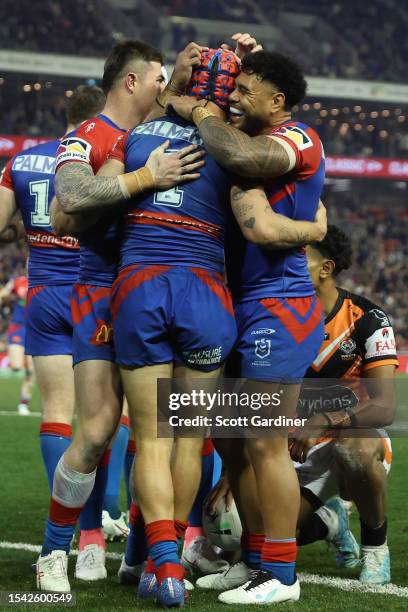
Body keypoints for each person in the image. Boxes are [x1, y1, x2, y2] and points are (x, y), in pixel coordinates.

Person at [37, 39, 205, 593]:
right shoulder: (91, 134)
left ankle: (141, 557)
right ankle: (54, 551)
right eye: (158, 77)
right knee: (98, 429)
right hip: (103, 294)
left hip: (159, 294)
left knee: (154, 432)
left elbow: (187, 101)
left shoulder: (156, 131)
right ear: (131, 82)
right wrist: (142, 179)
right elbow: (67, 203)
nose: (164, 88)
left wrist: (183, 75)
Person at [170, 50, 326, 605]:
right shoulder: (248, 128)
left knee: (265, 442)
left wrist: (205, 115)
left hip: (278, 308)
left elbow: (257, 220)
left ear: (277, 102)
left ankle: (282, 575)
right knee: (235, 446)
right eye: (233, 89)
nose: (234, 96)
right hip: (237, 307)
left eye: (247, 90)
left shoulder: (300, 137)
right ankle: (254, 559)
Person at [292, 225, 397, 585]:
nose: (290, 264)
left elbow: (384, 406)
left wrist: (324, 419)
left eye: (300, 257)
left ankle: (375, 550)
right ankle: (330, 520)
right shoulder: (277, 317)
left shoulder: (368, 319)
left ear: (326, 269)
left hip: (354, 435)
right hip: (297, 446)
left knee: (355, 449)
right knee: (234, 529)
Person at [0, 274, 33, 415]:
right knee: (16, 367)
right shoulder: (18, 281)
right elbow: (2, 294)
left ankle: (23, 404)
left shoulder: (44, 281)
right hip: (18, 328)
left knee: (31, 370)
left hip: (35, 330)